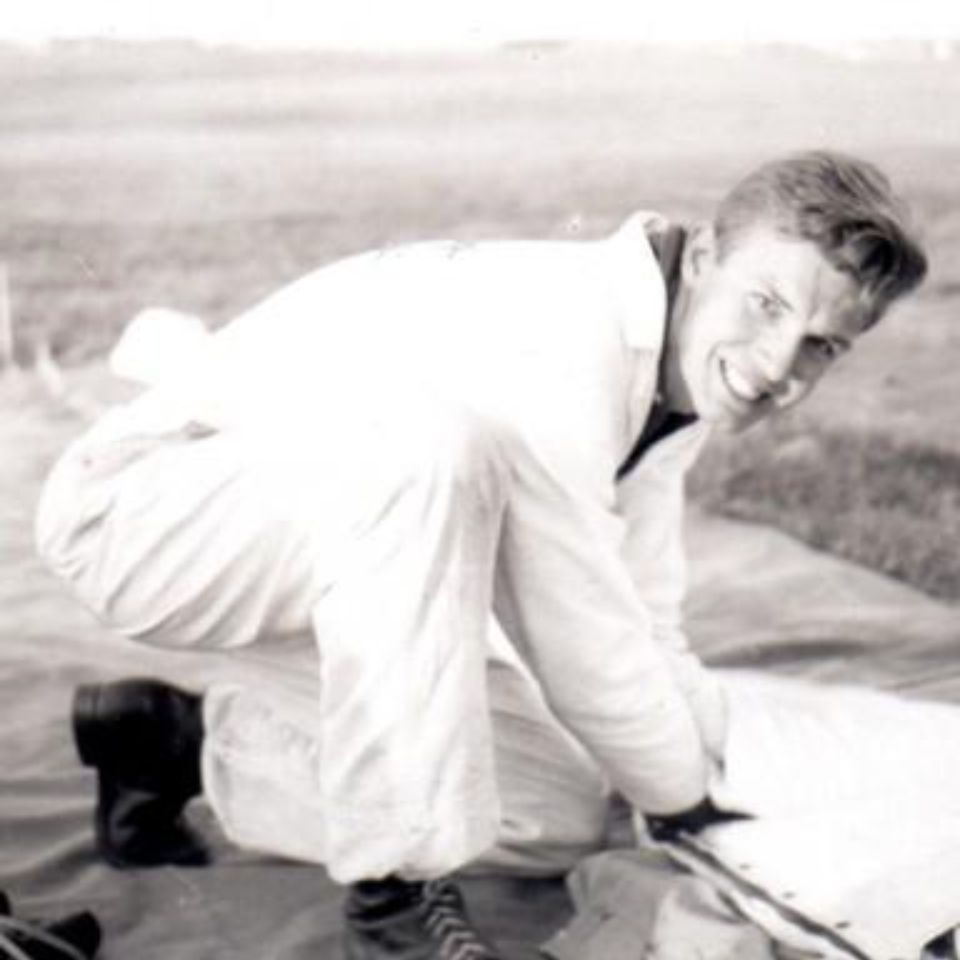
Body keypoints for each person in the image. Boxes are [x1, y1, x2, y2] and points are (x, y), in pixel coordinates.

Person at [35, 150, 927, 960]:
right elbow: (581, 642)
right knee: (435, 450)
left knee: (555, 811)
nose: (777, 365)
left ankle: (177, 744)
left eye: (822, 346)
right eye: (766, 306)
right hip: (145, 516)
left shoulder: (675, 374)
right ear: (702, 259)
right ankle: (395, 906)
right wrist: (682, 798)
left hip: (306, 539)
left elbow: (642, 619)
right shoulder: (569, 330)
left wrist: (717, 767)